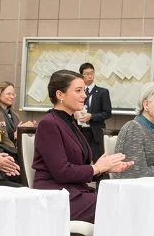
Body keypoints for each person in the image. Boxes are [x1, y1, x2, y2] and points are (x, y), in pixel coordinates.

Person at [33, 70, 133, 222]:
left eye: (84, 90)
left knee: (124, 201)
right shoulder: (49, 124)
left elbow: (78, 166)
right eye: (78, 90)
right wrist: (97, 168)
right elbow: (62, 171)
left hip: (73, 192)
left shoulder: (70, 121)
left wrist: (104, 168)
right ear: (60, 95)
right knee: (117, 207)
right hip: (55, 196)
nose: (85, 95)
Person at [77, 62, 112, 161]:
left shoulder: (102, 92)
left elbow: (107, 113)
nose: (90, 76)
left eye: (92, 73)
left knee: (98, 160)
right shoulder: (77, 92)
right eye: (87, 74)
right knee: (81, 159)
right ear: (81, 76)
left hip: (96, 132)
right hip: (80, 131)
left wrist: (91, 116)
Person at [0, 82, 35, 157]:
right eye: (8, 94)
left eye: (13, 94)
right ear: (0, 93)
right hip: (3, 152)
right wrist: (16, 133)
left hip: (15, 150)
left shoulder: (15, 114)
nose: (12, 97)